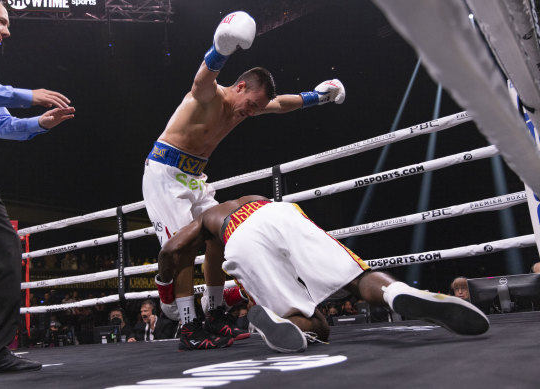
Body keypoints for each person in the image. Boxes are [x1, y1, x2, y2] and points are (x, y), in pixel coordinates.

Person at [146, 11, 346, 349]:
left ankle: (214, 313)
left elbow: (281, 104)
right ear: (240, 86)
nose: (250, 113)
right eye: (251, 104)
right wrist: (220, 49)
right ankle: (188, 327)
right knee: (185, 247)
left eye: (257, 108)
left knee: (218, 237)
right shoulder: (209, 98)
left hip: (195, 177)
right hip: (165, 175)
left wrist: (319, 96)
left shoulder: (248, 105)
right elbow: (201, 82)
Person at [158, 195, 490, 352]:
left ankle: (289, 319)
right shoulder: (247, 198)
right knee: (357, 277)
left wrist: (164, 286)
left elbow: (171, 250)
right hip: (278, 212)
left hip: (240, 238)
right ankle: (396, 293)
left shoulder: (205, 221)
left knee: (318, 327)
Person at [0, 0, 75, 376]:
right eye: (3, 21)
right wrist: (27, 94)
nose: (7, 31)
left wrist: (38, 122)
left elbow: (3, 126)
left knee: (5, 253)